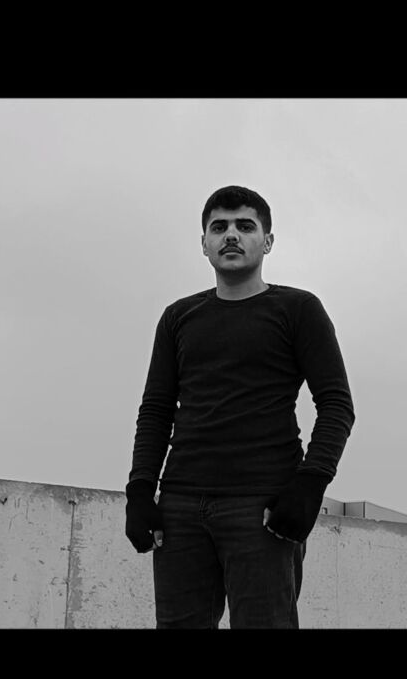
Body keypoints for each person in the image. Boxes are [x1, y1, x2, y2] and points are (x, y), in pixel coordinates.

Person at [125, 185, 355, 629]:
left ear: (267, 241)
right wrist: (139, 491)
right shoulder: (178, 317)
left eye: (245, 226)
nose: (231, 235)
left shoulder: (298, 309)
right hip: (180, 508)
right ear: (204, 244)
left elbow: (336, 404)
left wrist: (309, 487)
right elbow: (155, 409)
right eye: (219, 227)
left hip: (262, 509)